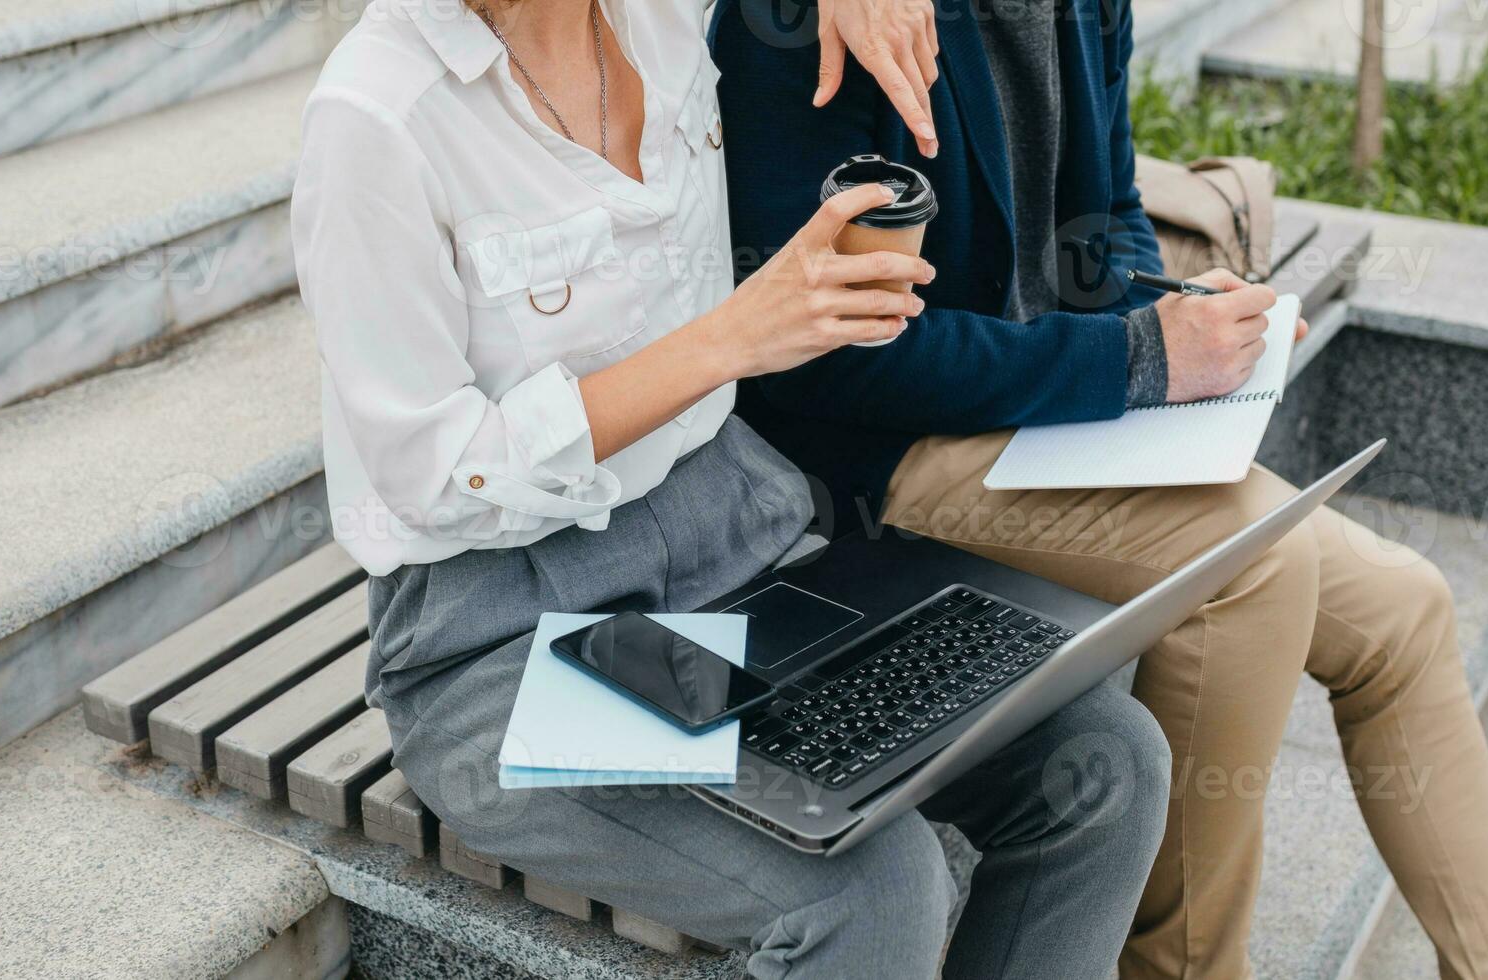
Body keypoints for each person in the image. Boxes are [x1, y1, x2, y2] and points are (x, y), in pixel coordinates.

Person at [292, 1, 1173, 976]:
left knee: (1106, 763)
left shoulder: (658, 20)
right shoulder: (376, 117)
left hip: (738, 547)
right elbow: (428, 474)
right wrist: (729, 338)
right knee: (875, 888)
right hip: (502, 632)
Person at [710, 1, 1488, 977]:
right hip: (884, 451)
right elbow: (823, 360)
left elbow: (1109, 216)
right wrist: (1133, 356)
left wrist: (1175, 316)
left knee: (1404, 605)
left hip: (1052, 409)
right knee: (1254, 564)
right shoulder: (815, 21)